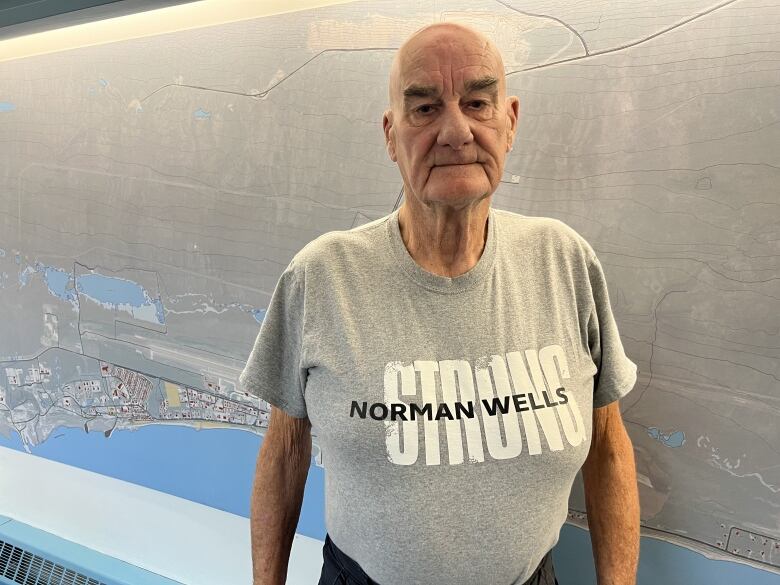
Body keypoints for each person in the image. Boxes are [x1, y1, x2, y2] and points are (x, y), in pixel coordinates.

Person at [239, 21, 640, 585]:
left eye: (478, 102)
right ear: (389, 134)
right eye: (424, 109)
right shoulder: (322, 277)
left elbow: (609, 446)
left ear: (510, 121)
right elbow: (283, 454)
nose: (456, 131)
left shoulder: (565, 262)